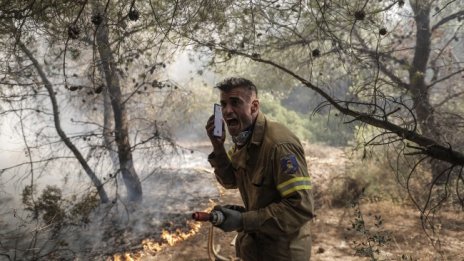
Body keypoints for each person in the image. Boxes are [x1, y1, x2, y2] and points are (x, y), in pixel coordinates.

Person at [205, 77, 315, 260]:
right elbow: (230, 181)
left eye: (235, 103)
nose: (227, 111)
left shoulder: (280, 145)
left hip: (281, 254)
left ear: (254, 106)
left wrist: (243, 220)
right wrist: (218, 147)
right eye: (223, 105)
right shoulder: (244, 140)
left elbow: (300, 209)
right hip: (256, 250)